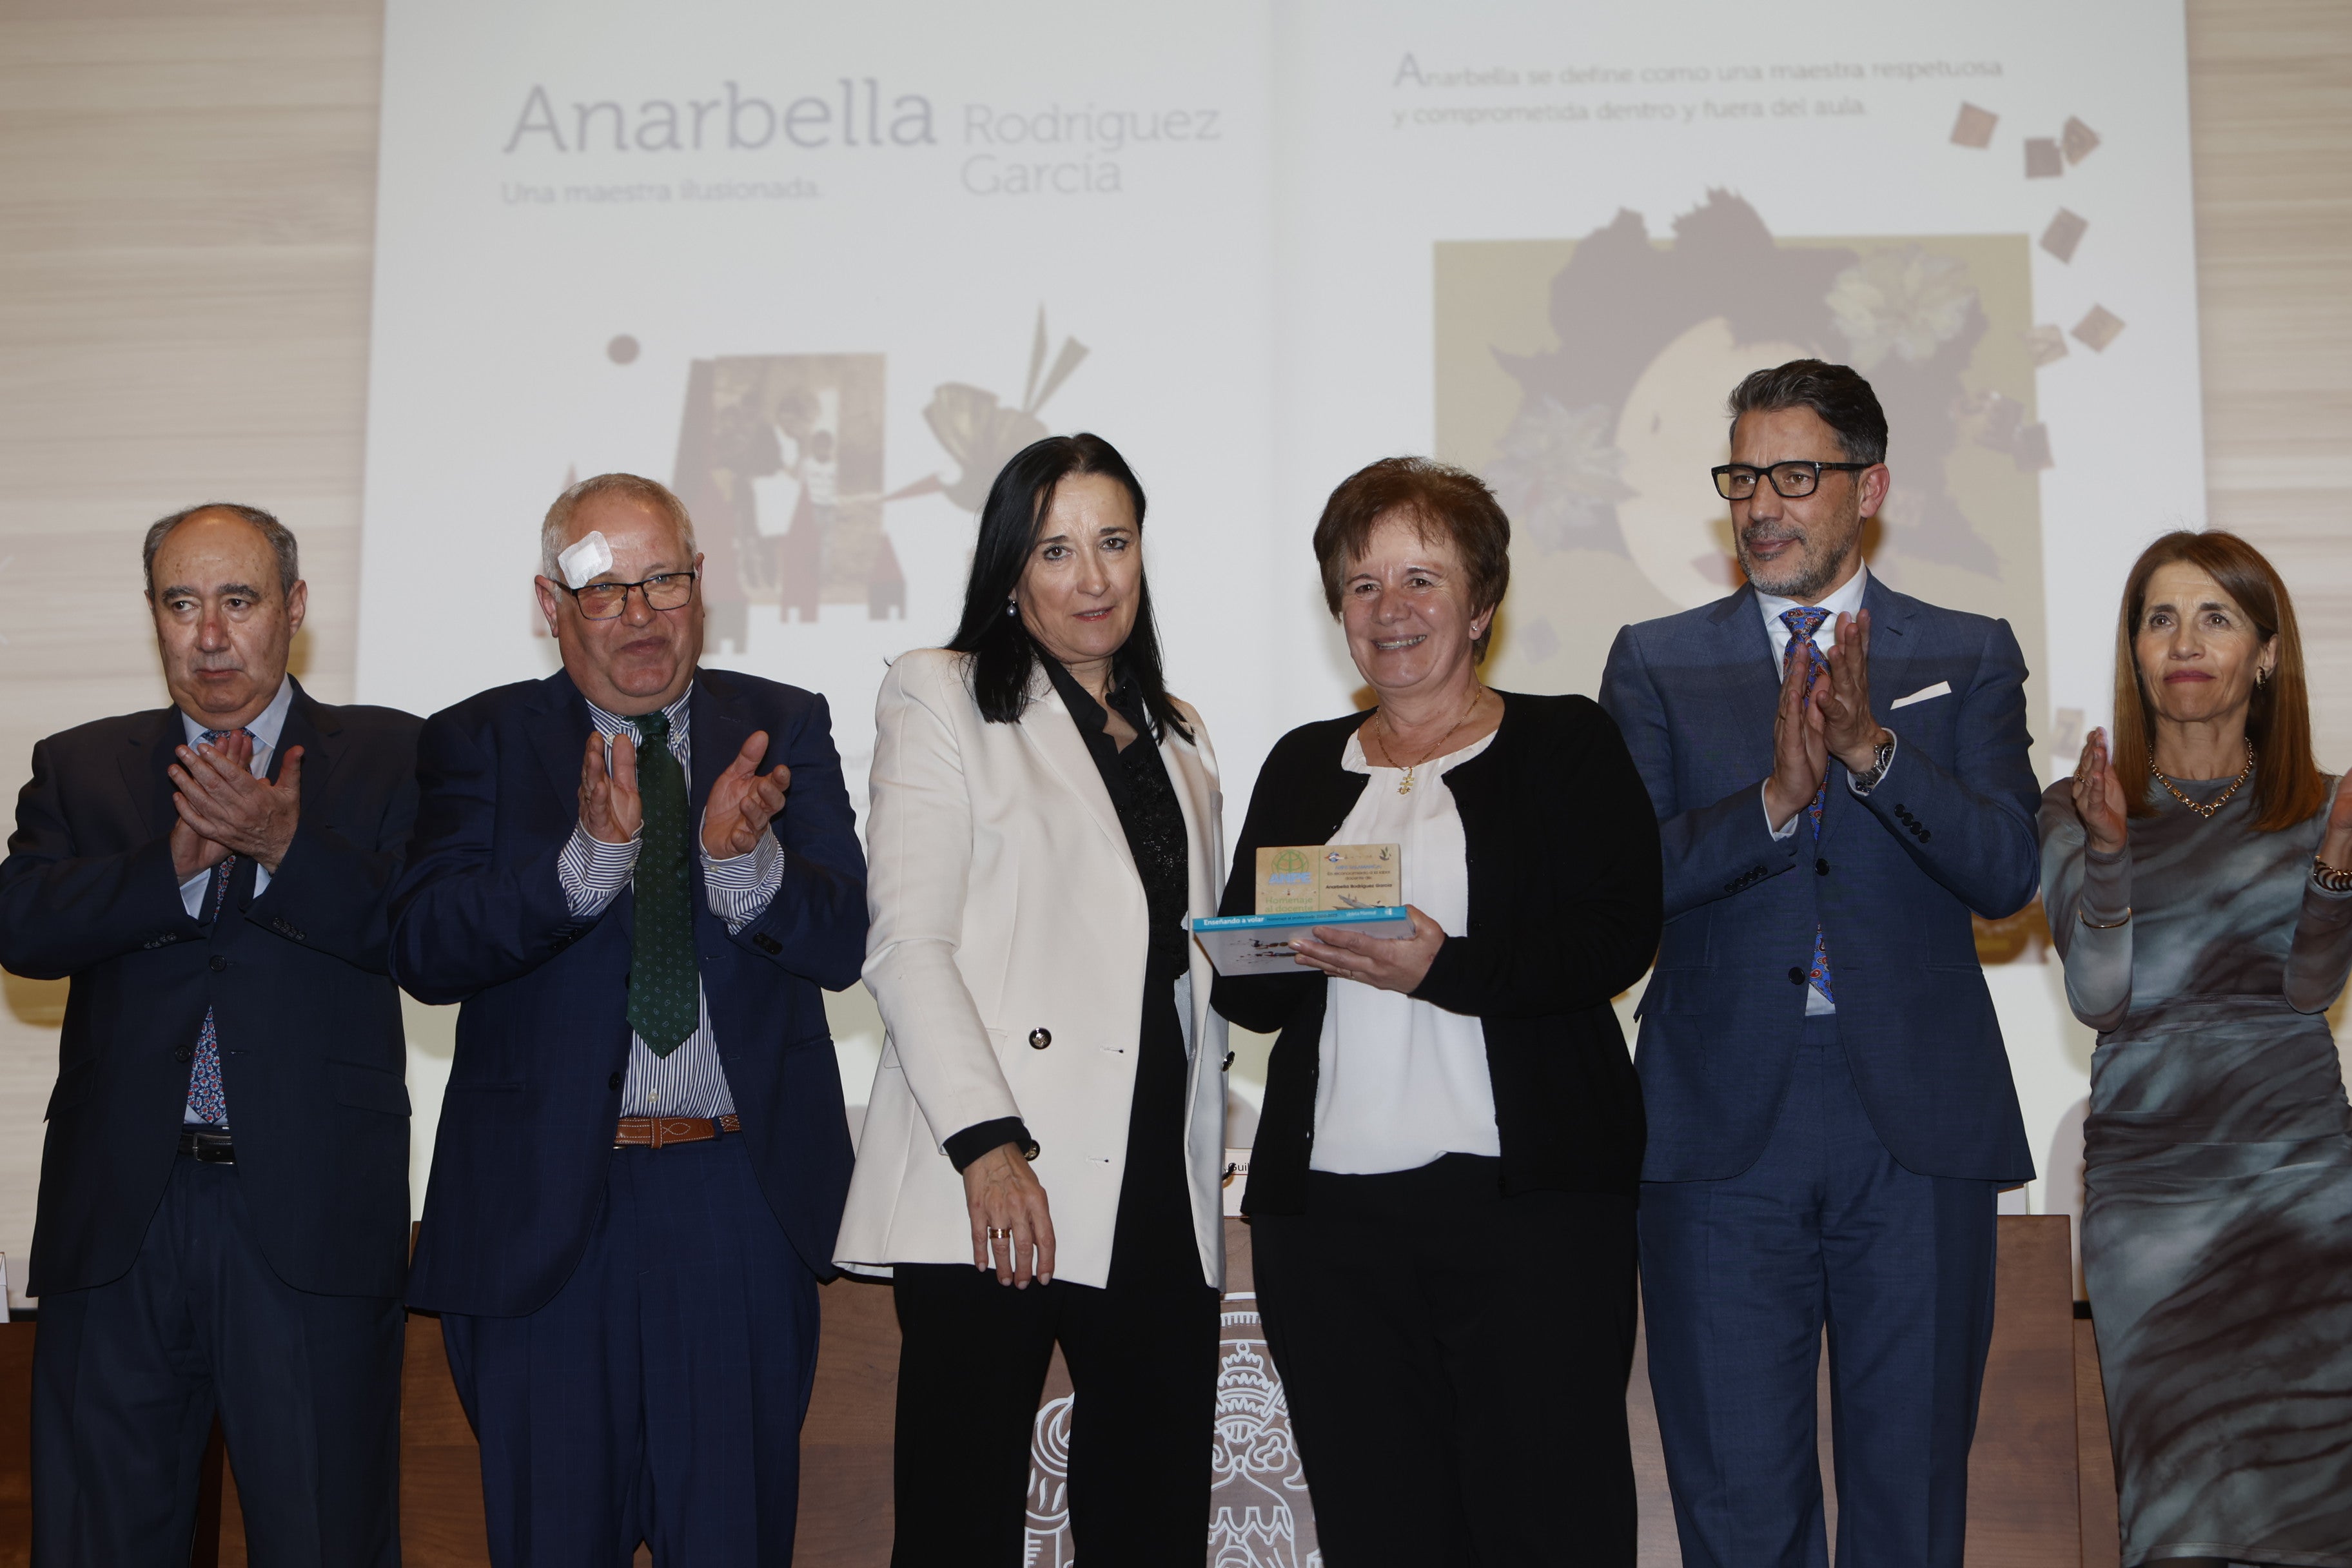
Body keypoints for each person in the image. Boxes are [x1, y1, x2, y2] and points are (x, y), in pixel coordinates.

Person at [1599, 360, 2040, 1568]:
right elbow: (1619, 891)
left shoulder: (1968, 649)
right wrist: (1775, 802)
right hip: (1719, 1122)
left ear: (1871, 486)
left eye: (1795, 476)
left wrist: (1875, 754)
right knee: (1739, 1504)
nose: (1761, 507)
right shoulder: (1654, 660)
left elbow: (2008, 869)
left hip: (1917, 1124)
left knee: (1911, 1501)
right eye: (1743, 476)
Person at [390, 473, 868, 1565]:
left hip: (734, 1205)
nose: (643, 615)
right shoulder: (480, 740)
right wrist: (584, 865)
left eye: (666, 581)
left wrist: (752, 869)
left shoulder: (783, 724)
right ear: (550, 607)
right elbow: (424, 948)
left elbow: (847, 940)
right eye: (607, 592)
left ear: (704, 586)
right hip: (542, 1216)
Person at [1212, 456, 1662, 1565]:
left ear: (1482, 605)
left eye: (1423, 577)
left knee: (1549, 1524)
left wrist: (1440, 967)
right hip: (1330, 1230)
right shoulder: (1302, 765)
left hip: (1534, 1217)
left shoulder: (1566, 744)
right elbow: (1248, 990)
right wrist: (1268, 951)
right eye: (1364, 585)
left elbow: (1617, 934)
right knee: (1380, 1529)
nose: (1392, 609)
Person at [834, 433, 1230, 1565]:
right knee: (959, 1524)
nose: (1093, 577)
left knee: (1152, 1525)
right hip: (997, 1173)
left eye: (1114, 542)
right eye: (1057, 550)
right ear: (1011, 571)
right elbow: (910, 942)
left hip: (1156, 1175)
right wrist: (988, 1146)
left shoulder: (1186, 732)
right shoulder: (940, 692)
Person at [0, 504, 418, 1566]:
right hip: (120, 1223)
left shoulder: (389, 757)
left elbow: (423, 936)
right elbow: (25, 926)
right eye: (183, 605)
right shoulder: (84, 766)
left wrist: (284, 844)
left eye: (239, 601)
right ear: (154, 617)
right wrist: (168, 872)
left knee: (323, 1534)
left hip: (309, 1219)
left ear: (295, 610)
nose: (211, 636)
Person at [2043, 530, 2352, 1568]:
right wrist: (2111, 854)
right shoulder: (2079, 809)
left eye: (2217, 617)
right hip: (2158, 1214)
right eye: (2160, 618)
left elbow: (2311, 991)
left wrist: (2337, 873)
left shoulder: (2321, 808)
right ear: (2134, 651)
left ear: (2266, 653)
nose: (2186, 641)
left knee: (2315, 1506)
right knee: (2183, 1512)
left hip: (2304, 1195)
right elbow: (2100, 998)